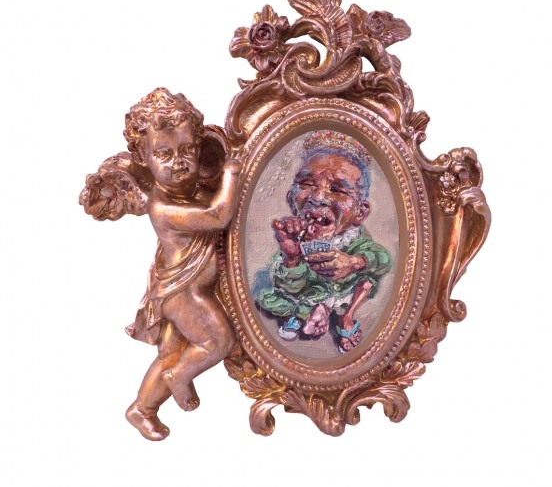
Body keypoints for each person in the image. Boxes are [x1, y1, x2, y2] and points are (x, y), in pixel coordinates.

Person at [120, 88, 241, 440]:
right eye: (164, 154)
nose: (179, 162)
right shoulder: (163, 208)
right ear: (143, 157)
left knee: (171, 353)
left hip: (183, 289)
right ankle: (181, 376)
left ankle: (142, 408)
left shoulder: (187, 191)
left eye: (187, 150)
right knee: (218, 341)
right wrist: (232, 172)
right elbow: (217, 215)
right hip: (184, 293)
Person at [256, 130, 391, 353]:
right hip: (309, 292)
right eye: (307, 184)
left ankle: (345, 317)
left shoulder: (356, 239)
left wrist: (354, 262)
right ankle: (310, 311)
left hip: (344, 291)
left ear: (360, 212)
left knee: (368, 282)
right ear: (291, 198)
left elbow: (383, 259)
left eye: (338, 189)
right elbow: (290, 285)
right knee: (272, 297)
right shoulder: (293, 237)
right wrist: (292, 258)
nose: (318, 197)